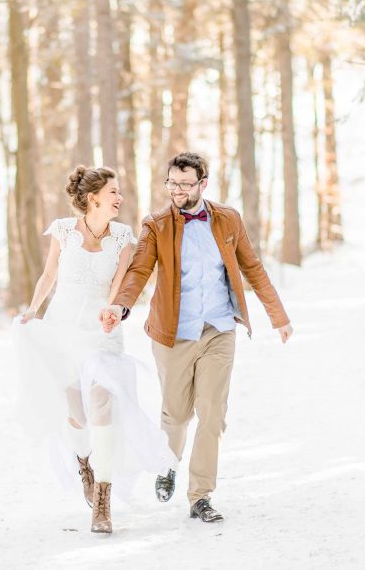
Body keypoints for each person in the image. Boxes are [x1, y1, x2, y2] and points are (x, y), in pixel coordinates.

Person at [101, 152, 294, 523]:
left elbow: (252, 267)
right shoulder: (156, 225)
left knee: (212, 414)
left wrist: (278, 316)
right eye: (171, 182)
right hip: (174, 333)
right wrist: (119, 307)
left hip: (219, 329)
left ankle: (200, 495)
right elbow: (139, 271)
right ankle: (167, 463)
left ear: (203, 184)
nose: (175, 190)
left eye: (184, 184)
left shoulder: (227, 219)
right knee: (175, 415)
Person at [15, 165, 176, 534]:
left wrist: (112, 313)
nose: (120, 198)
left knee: (102, 404)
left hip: (101, 332)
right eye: (114, 192)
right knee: (78, 414)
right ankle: (84, 462)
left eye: (120, 192)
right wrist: (33, 309)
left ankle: (103, 497)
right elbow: (49, 275)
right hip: (63, 329)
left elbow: (119, 286)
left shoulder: (123, 237)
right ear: (93, 198)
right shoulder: (62, 231)